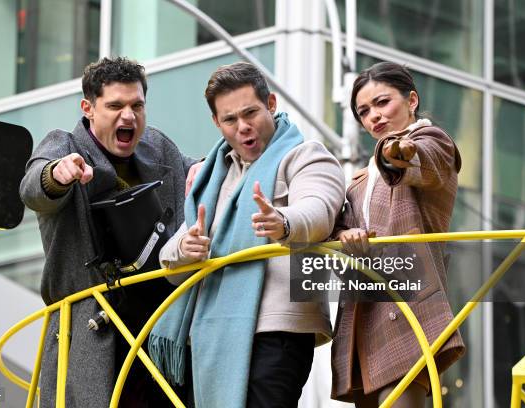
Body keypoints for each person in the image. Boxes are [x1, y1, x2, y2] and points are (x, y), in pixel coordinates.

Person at [148, 61, 345, 408]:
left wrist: (283, 221)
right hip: (209, 337)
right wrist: (187, 246)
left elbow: (319, 209)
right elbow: (169, 254)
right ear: (216, 122)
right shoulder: (212, 176)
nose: (243, 127)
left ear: (271, 104)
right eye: (230, 119)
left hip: (275, 331)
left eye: (250, 112)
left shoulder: (305, 155)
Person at [19, 56, 197, 407]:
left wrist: (211, 165)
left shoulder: (159, 147)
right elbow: (32, 188)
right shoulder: (64, 145)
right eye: (115, 105)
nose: (128, 116)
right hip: (93, 331)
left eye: (137, 105)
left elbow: (197, 170)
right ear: (88, 108)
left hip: (163, 328)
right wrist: (58, 173)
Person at [330, 61, 466, 407]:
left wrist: (398, 152)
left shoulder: (431, 139)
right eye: (363, 111)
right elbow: (340, 230)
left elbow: (422, 160)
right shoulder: (360, 181)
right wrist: (347, 238)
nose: (373, 116)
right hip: (364, 313)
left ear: (412, 100)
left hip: (408, 306)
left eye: (382, 102)